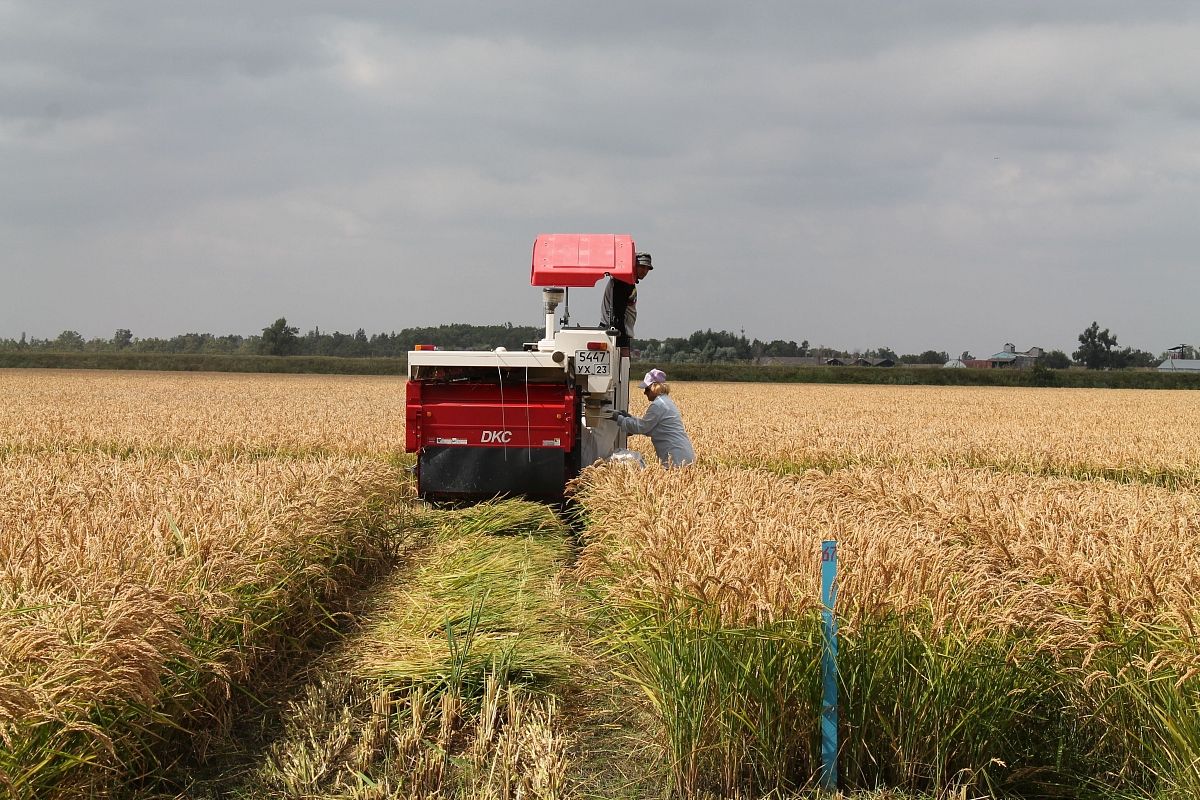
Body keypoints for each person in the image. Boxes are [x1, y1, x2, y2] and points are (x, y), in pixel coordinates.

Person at [614, 368, 695, 467]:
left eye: (647, 389)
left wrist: (619, 419)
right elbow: (650, 427)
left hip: (675, 455)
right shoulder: (665, 402)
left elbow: (642, 427)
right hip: (681, 452)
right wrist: (629, 418)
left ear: (655, 387)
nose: (645, 393)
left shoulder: (659, 405)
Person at [601, 251, 652, 350]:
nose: (645, 271)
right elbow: (618, 314)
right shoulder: (623, 283)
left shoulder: (625, 282)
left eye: (647, 268)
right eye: (642, 266)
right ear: (633, 265)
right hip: (615, 332)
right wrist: (622, 343)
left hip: (614, 331)